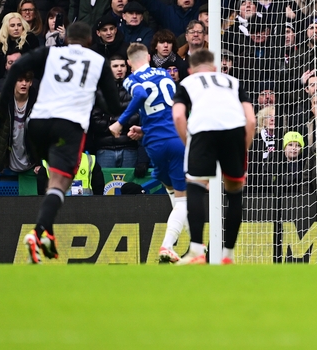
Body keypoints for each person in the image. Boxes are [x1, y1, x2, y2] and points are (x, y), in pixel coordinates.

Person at [5, 22, 122, 264]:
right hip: (68, 126)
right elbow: (112, 105)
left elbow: (20, 64)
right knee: (59, 184)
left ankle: (46, 233)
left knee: (55, 184)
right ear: (90, 40)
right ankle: (38, 233)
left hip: (36, 125)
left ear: (66, 39)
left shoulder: (52, 53)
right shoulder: (96, 60)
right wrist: (97, 96)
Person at [172, 49, 256, 265]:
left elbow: (179, 115)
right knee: (234, 191)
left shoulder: (188, 83)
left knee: (196, 186)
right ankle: (228, 255)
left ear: (190, 70)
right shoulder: (232, 81)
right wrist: (242, 149)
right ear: (216, 68)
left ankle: (197, 251)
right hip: (235, 131)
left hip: (203, 132)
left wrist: (188, 143)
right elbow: (252, 120)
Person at [108, 43, 188, 263]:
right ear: (149, 59)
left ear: (129, 64)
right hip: (175, 139)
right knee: (184, 200)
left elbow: (141, 94)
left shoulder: (131, 79)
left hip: (153, 143)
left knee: (173, 192)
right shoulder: (164, 73)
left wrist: (123, 124)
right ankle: (169, 245)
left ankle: (192, 247)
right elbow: (167, 107)